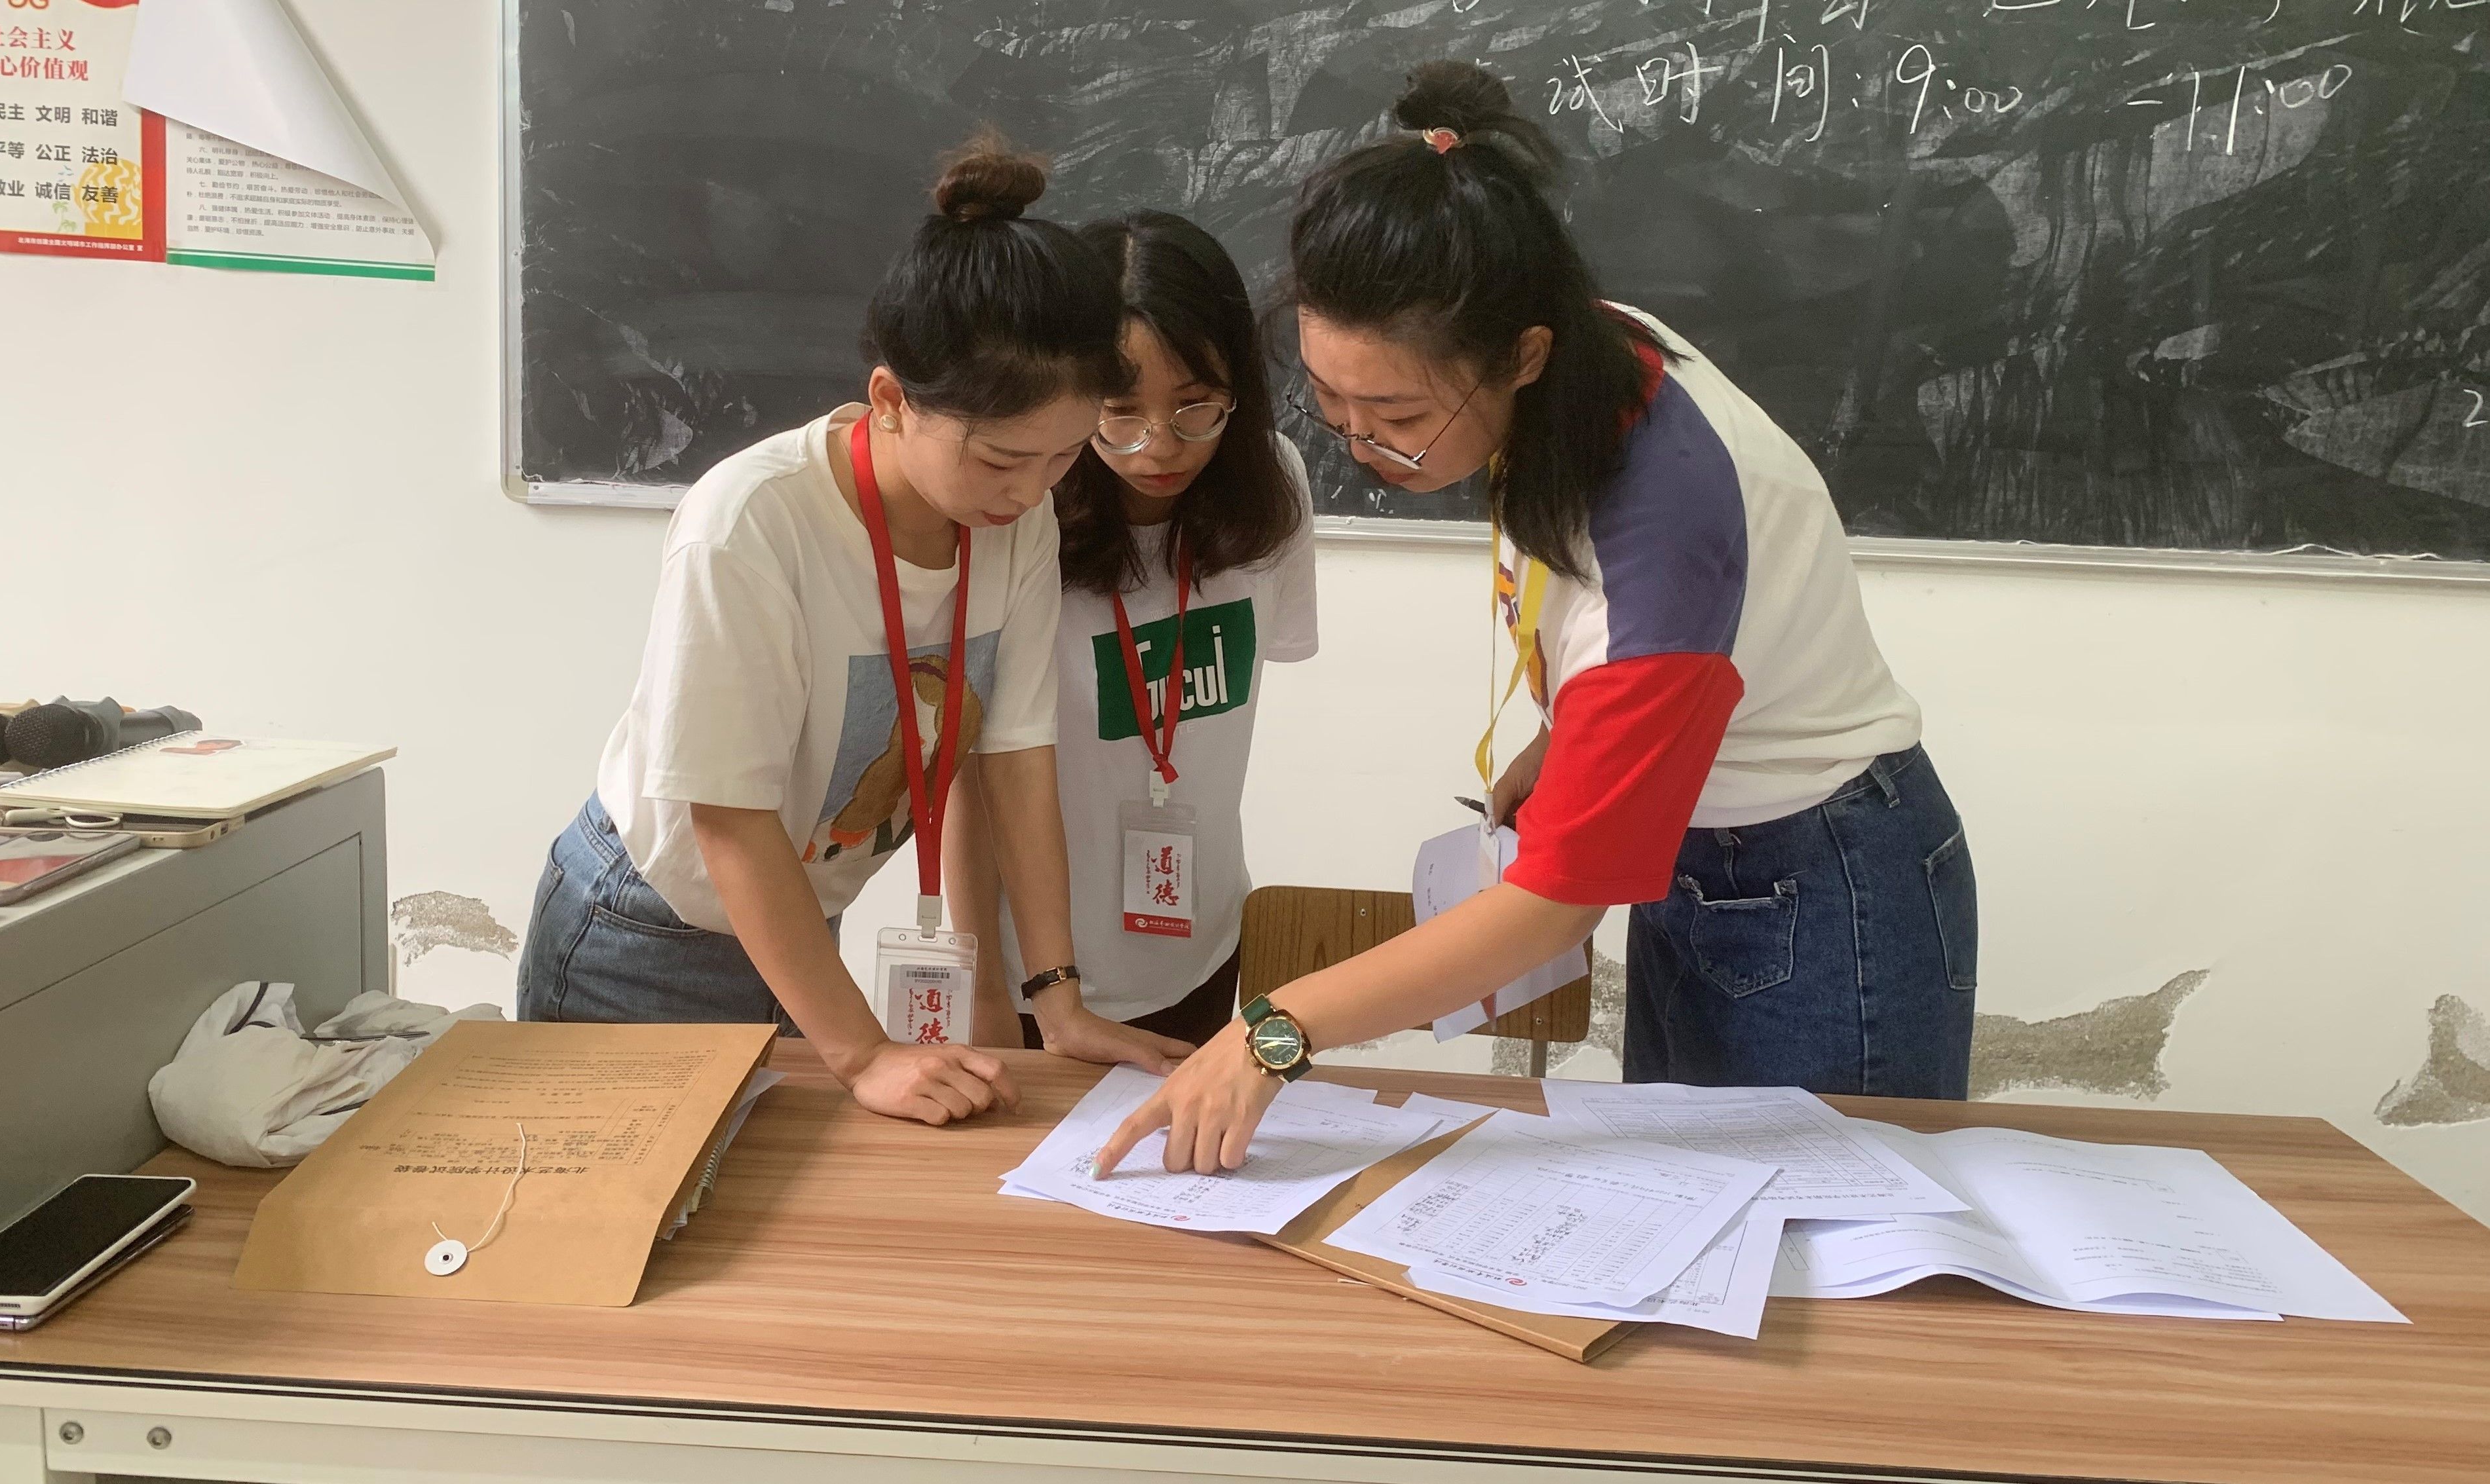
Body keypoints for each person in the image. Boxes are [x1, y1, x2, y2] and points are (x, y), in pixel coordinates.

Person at [1099, 63, 1978, 1176]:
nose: (1363, 446)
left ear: (1523, 353)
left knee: (1826, 1224)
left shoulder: (1663, 533)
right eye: (1329, 401)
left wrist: (1271, 1033)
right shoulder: (1580, 357)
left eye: (1398, 414)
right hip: (1705, 851)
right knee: (1687, 1193)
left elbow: (1554, 907)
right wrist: (1570, 737)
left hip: (1824, 880)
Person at [514, 139, 1181, 1126]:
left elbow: (1015, 757)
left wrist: (1057, 997)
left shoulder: (1021, 518)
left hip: (799, 925)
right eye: (1001, 458)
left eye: (1063, 455)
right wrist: (863, 1053)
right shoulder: (752, 522)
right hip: (647, 934)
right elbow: (729, 820)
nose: (1029, 490)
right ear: (890, 400)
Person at [943, 210, 1319, 1053]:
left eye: (1195, 407)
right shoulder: (1012, 520)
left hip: (1202, 948)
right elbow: (971, 778)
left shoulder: (1274, 491)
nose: (1160, 447)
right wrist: (982, 991)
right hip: (1037, 978)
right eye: (1118, 412)